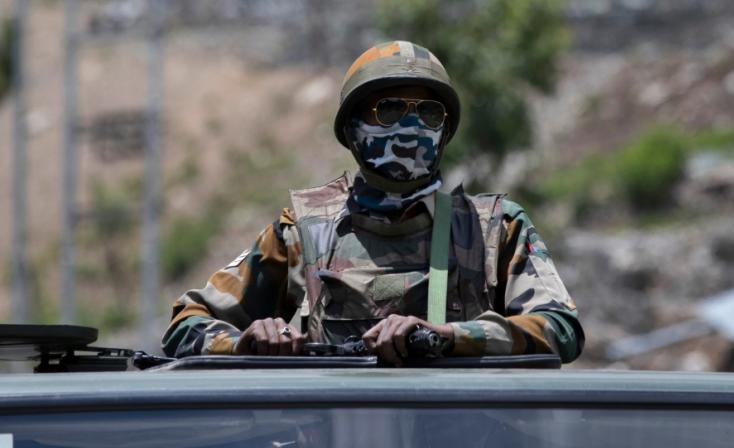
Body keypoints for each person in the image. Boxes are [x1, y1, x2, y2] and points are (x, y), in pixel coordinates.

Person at [162, 40, 584, 365]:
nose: (413, 125)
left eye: (430, 114)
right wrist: (246, 343)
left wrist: (450, 336)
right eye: (391, 109)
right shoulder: (304, 232)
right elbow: (186, 324)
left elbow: (561, 329)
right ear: (353, 127)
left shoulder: (494, 229)